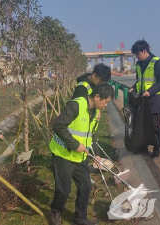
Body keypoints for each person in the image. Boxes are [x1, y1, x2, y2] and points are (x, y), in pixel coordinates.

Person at [49, 83, 114, 225]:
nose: (106, 106)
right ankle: (55, 210)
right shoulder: (76, 105)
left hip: (80, 157)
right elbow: (58, 125)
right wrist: (75, 145)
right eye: (106, 102)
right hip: (63, 156)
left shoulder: (94, 112)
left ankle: (80, 218)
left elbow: (91, 134)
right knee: (64, 190)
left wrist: (96, 154)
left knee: (85, 186)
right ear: (97, 97)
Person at [128, 40, 160, 159]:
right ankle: (143, 146)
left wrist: (149, 92)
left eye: (138, 54)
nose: (137, 57)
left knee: (155, 126)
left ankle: (156, 149)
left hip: (155, 100)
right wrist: (133, 87)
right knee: (142, 125)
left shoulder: (157, 62)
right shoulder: (139, 64)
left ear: (144, 51)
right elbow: (140, 80)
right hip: (142, 100)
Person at [71, 63, 111, 162]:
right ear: (94, 75)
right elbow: (76, 106)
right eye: (100, 81)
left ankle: (86, 161)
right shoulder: (82, 88)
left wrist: (98, 110)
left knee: (88, 141)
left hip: (89, 121)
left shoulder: (92, 84)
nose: (100, 83)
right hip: (83, 122)